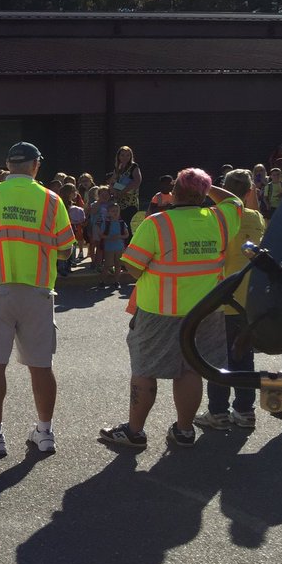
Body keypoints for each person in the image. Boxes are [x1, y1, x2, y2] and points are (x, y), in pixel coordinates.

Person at [99, 169, 243, 449]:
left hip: (159, 310)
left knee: (144, 369)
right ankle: (184, 430)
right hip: (205, 310)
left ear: (174, 192)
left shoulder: (157, 224)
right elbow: (235, 200)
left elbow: (133, 267)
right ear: (204, 193)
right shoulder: (220, 220)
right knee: (192, 370)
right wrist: (205, 187)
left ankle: (135, 432)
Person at [0, 142, 74, 455]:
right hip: (37, 288)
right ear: (36, 166)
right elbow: (65, 249)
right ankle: (45, 432)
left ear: (9, 165)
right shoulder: (52, 200)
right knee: (41, 365)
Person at [192, 169, 266, 431]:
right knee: (244, 357)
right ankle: (245, 411)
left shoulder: (214, 218)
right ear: (248, 192)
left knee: (217, 359)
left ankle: (218, 412)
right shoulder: (256, 218)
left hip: (219, 298)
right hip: (248, 300)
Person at [110, 145, 143, 228]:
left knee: (125, 224)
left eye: (128, 155)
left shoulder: (134, 167)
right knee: (119, 223)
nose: (125, 157)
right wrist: (114, 189)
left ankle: (129, 240)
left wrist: (122, 190)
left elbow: (137, 181)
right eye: (122, 155)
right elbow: (113, 182)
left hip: (130, 202)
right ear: (118, 156)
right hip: (118, 201)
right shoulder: (118, 168)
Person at [99, 204, 130, 286]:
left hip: (120, 248)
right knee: (107, 265)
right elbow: (101, 235)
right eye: (113, 211)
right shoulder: (106, 223)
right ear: (108, 212)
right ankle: (102, 281)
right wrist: (109, 237)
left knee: (118, 265)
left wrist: (120, 236)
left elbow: (126, 234)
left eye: (117, 211)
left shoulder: (122, 223)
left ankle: (116, 281)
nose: (115, 213)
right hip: (109, 248)